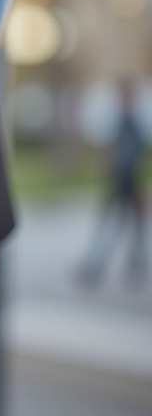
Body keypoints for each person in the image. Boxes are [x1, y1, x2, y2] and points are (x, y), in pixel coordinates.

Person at [79, 76, 149, 286]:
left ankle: (135, 266)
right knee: (109, 226)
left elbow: (139, 157)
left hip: (131, 182)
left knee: (135, 231)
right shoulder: (118, 123)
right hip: (117, 182)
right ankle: (96, 266)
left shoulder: (136, 125)